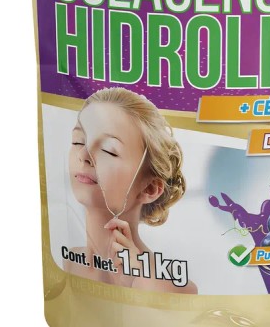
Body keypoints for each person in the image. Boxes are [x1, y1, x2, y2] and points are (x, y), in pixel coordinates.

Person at [66, 87, 197, 293]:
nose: (83, 155)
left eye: (109, 150)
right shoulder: (66, 262)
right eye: (78, 141)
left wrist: (139, 284)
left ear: (150, 188)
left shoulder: (174, 287)